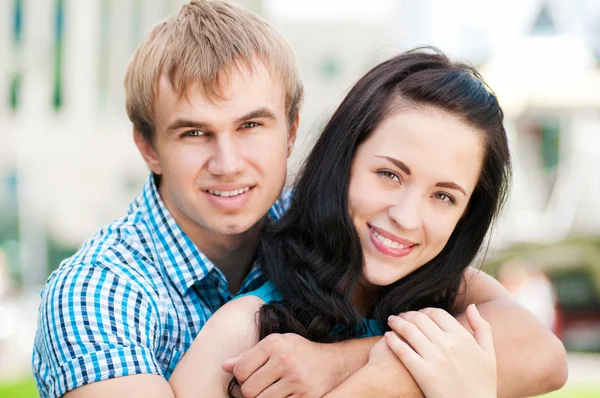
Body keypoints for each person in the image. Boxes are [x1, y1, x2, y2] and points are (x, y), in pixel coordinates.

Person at [32, 1, 566, 398]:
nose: (228, 162)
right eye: (193, 133)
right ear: (148, 147)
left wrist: (351, 369)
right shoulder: (98, 293)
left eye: (250, 125)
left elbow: (540, 351)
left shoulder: (346, 233)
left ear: (290, 129)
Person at [167, 49, 555, 398]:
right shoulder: (244, 330)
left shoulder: (449, 297)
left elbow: (547, 357)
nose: (405, 216)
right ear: (343, 162)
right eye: (389, 174)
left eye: (443, 196)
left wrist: (353, 369)